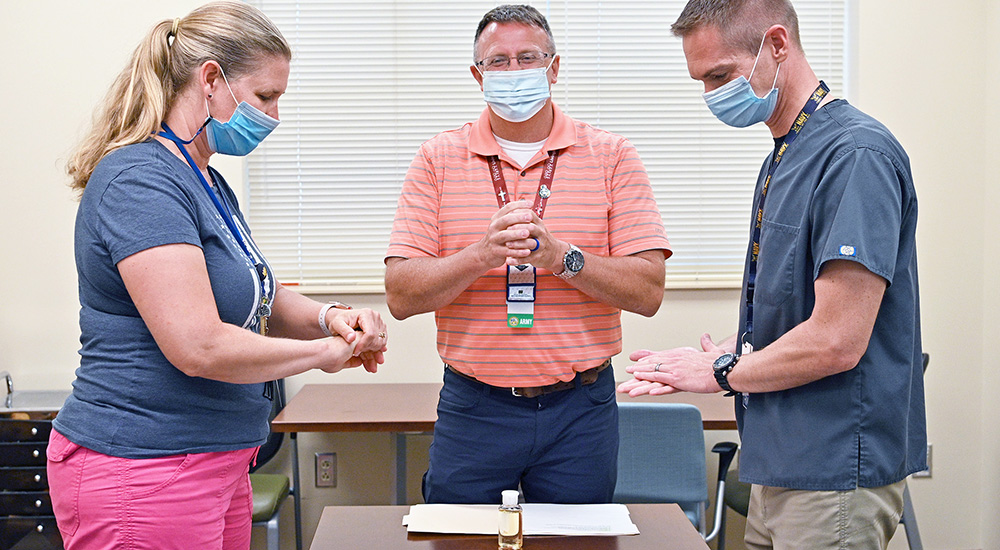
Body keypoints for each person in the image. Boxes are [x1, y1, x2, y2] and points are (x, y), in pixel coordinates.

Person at [49, 3, 388, 549]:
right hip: (144, 465)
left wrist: (332, 320)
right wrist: (324, 356)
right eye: (265, 96)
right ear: (211, 79)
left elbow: (256, 297)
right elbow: (198, 344)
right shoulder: (141, 182)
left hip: (215, 461)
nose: (275, 116)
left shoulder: (203, 178)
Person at [618, 1, 926, 548]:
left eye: (720, 75)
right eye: (701, 81)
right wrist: (734, 357)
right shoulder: (785, 155)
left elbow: (836, 341)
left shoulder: (855, 155)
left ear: (777, 45)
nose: (711, 95)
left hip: (831, 474)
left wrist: (721, 371)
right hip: (776, 465)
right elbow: (792, 308)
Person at [384, 4, 671, 505]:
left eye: (528, 58)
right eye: (498, 62)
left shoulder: (612, 155)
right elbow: (402, 295)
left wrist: (563, 257)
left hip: (581, 410)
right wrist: (482, 254)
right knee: (460, 543)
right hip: (474, 406)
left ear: (554, 68)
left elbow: (648, 292)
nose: (514, 73)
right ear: (478, 75)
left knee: (577, 544)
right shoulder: (437, 159)